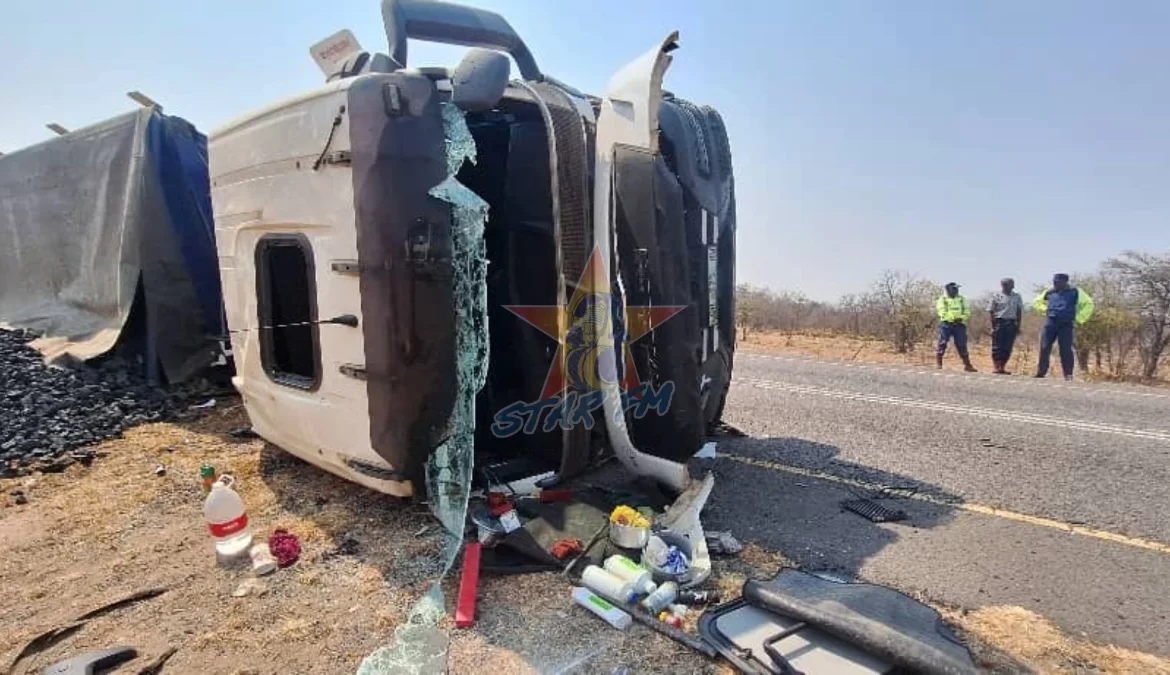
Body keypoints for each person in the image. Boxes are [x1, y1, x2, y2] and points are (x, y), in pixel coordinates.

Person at [1032, 273, 1095, 381]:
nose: (1055, 283)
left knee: (1065, 349)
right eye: (1054, 281)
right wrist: (1045, 310)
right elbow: (1036, 302)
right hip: (1051, 322)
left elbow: (1089, 304)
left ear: (1065, 282)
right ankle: (1041, 371)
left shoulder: (1075, 291)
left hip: (1066, 324)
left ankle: (1068, 374)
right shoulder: (1050, 291)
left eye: (1057, 282)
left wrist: (1080, 318)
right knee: (1044, 347)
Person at [936, 282, 977, 372]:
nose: (956, 290)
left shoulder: (962, 299)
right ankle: (939, 364)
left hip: (959, 324)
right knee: (943, 342)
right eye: (954, 288)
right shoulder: (943, 299)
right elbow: (941, 312)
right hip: (946, 324)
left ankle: (967, 365)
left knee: (961, 344)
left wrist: (961, 318)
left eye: (957, 289)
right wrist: (952, 318)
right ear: (948, 290)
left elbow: (967, 311)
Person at [987, 277, 1023, 375]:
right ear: (1004, 285)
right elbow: (991, 311)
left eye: (1013, 284)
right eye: (1011, 284)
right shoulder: (996, 296)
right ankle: (996, 366)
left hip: (1011, 323)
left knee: (1008, 347)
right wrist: (993, 326)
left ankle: (1002, 367)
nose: (1013, 286)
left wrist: (1018, 326)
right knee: (997, 346)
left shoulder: (1017, 296)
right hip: (999, 322)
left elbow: (1019, 312)